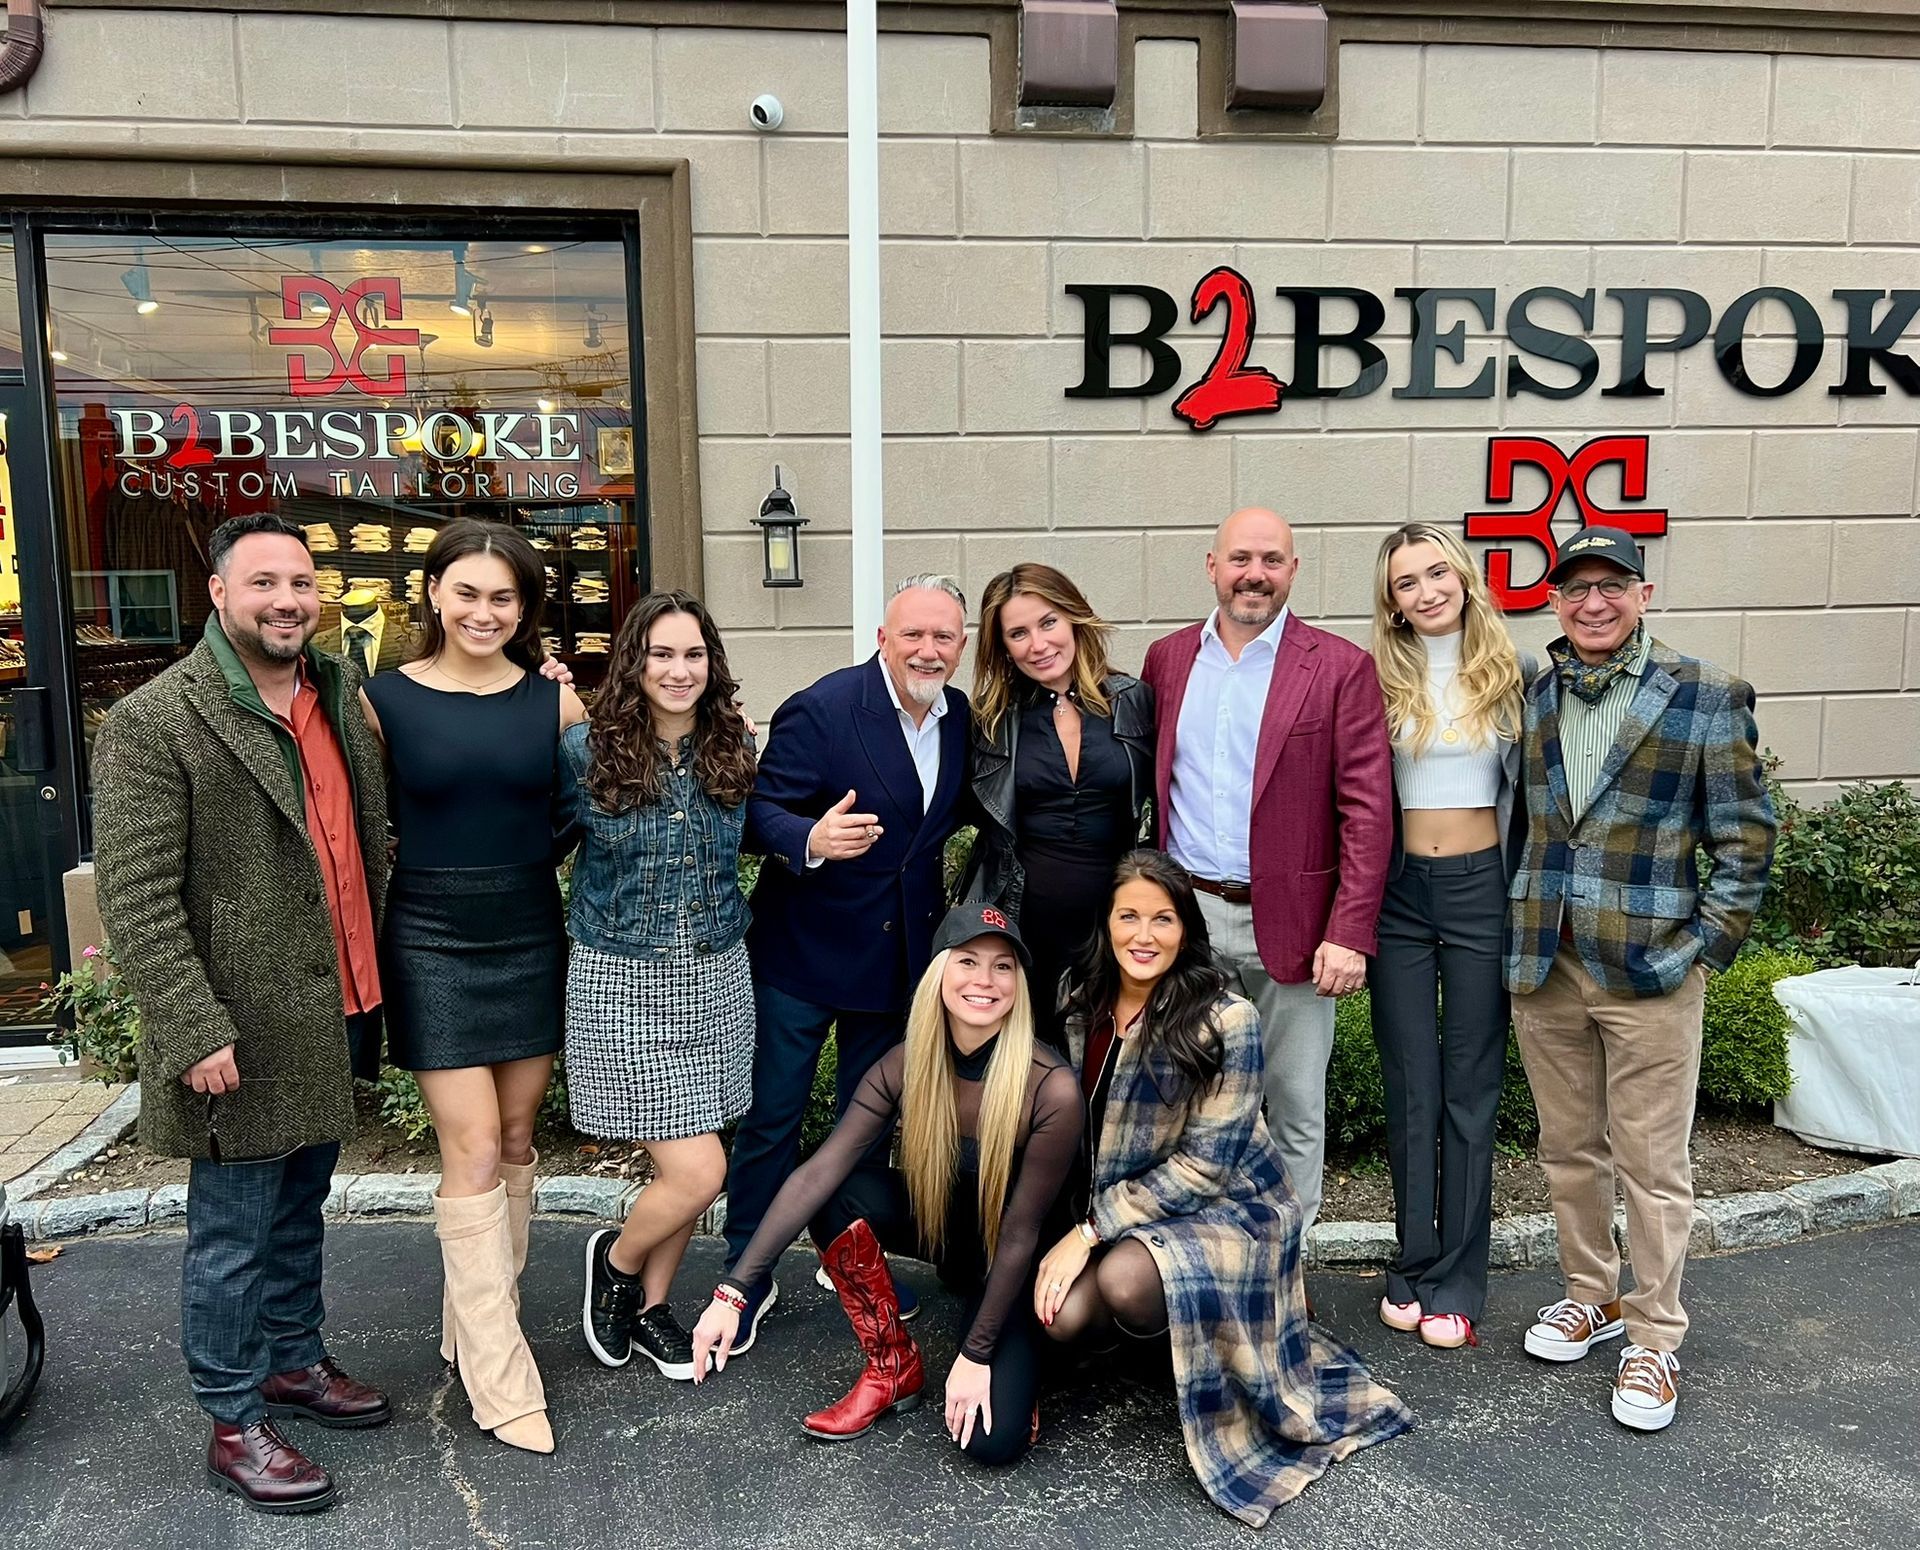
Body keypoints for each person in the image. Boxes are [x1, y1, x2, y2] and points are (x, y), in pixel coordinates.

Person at [94, 513, 392, 1515]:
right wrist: (191, 1025)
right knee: (232, 1231)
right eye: (264, 582)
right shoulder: (155, 718)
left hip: (335, 1000)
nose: (287, 600)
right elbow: (136, 896)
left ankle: (292, 1361)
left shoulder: (338, 694)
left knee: (300, 1204)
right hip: (238, 1024)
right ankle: (232, 1417)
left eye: (303, 582)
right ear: (218, 592)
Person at [1039, 851, 1412, 1526]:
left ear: (1187, 928)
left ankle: (1186, 1335)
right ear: (1107, 921)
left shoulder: (1225, 1016)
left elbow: (1205, 1168)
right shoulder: (1078, 997)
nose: (1144, 935)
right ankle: (1170, 1340)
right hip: (1133, 1202)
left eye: (1163, 918)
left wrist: (1087, 1231)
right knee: (1062, 1319)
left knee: (1125, 1280)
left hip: (1232, 1209)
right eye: (1129, 916)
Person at [1507, 525, 1775, 1433]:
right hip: (1547, 963)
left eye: (1610, 586)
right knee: (1567, 1149)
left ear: (1642, 594)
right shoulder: (1535, 696)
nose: (1593, 603)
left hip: (1655, 967)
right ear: (1553, 601)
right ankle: (1593, 1294)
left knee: (1654, 1166)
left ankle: (1655, 1338)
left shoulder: (1704, 695)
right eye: (1575, 588)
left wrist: (1708, 945)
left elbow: (1746, 835)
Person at [692, 902, 1081, 1468]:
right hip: (949, 1234)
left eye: (1003, 968)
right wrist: (734, 1292)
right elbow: (819, 1172)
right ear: (940, 973)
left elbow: (1022, 1233)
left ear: (1020, 985)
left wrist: (973, 1355)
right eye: (969, 961)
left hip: (1017, 1260)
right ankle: (891, 1366)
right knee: (835, 1196)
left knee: (992, 1444)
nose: (985, 981)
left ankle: (1030, 1361)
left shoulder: (1052, 1088)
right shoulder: (905, 1063)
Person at [359, 518, 587, 1455]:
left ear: (524, 608)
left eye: (504, 597)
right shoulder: (382, 701)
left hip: (529, 929)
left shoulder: (555, 706)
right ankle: (501, 1374)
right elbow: (360, 823)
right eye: (467, 593)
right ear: (433, 595)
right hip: (429, 937)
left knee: (521, 1137)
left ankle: (471, 1323)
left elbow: (574, 817)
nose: (484, 612)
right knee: (476, 1145)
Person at [721, 574, 971, 1345]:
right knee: (773, 1119)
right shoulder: (825, 707)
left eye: (945, 638)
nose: (929, 650)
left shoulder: (959, 718)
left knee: (862, 1130)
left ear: (960, 648)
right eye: (915, 635)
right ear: (883, 639)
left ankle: (850, 1259)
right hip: (801, 954)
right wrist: (810, 840)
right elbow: (758, 813)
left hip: (896, 963)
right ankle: (748, 1271)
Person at [1139, 508, 1392, 1228]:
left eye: (1272, 560)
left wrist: (1349, 931)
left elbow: (1368, 814)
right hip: (1186, 922)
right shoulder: (1167, 660)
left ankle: (1286, 1262)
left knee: (1294, 1104)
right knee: (1188, 1098)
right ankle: (1197, 1255)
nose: (1256, 574)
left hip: (1299, 929)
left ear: (1293, 571)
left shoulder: (1340, 668)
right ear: (1211, 565)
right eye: (1241, 558)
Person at [566, 592, 757, 1381]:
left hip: (719, 976)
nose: (678, 671)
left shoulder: (733, 747)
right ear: (633, 662)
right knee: (698, 1171)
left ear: (711, 666)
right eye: (662, 654)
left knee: (698, 1152)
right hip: (622, 978)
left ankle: (648, 1308)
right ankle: (614, 1263)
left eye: (693, 655)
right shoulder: (584, 749)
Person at [1366, 523, 1530, 1351]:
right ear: (1391, 602)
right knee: (1411, 1084)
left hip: (1480, 891)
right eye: (1406, 583)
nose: (1426, 591)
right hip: (1398, 893)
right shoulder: (1374, 681)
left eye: (1437, 573)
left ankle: (1459, 1279)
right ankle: (1414, 1259)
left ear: (1463, 578)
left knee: (1470, 1088)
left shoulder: (1513, 676)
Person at [962, 564, 1153, 1050]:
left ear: (1074, 619)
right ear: (1003, 646)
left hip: (1115, 919)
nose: (1038, 644)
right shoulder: (991, 719)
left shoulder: (1133, 700)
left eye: (1048, 623)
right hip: (1024, 919)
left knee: (1111, 1060)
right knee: (1027, 1063)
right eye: (1018, 633)